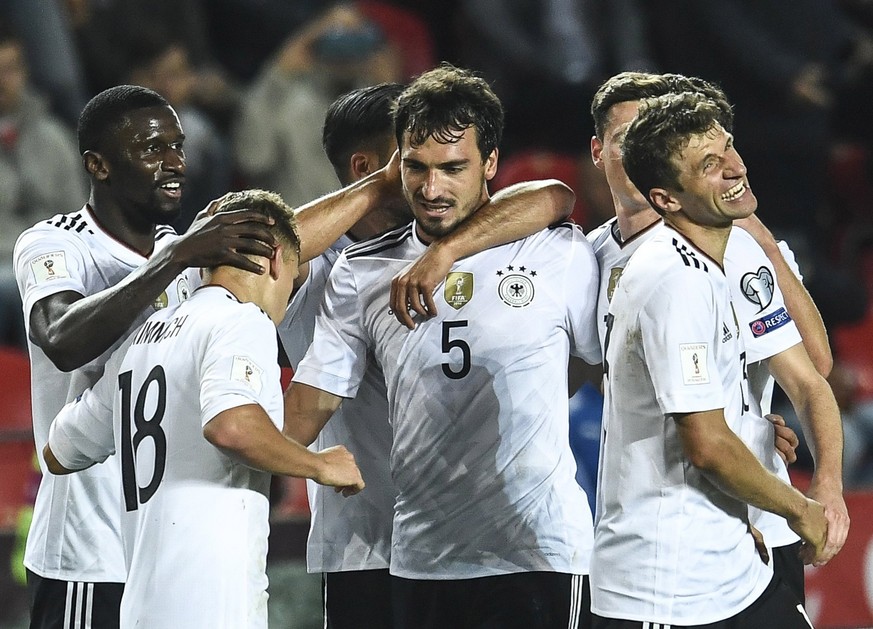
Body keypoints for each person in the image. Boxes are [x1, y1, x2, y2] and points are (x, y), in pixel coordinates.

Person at [13, 83, 391, 629]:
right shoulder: (57, 241)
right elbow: (62, 340)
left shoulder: (194, 259)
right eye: (151, 149)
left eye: (178, 147)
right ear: (98, 165)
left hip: (162, 552)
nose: (173, 163)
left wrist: (380, 186)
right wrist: (176, 257)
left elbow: (280, 240)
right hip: (89, 548)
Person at [283, 63, 600, 629]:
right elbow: (312, 399)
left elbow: (611, 366)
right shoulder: (361, 273)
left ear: (491, 164)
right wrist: (267, 454)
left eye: (454, 169)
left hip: (538, 550)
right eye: (416, 168)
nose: (432, 190)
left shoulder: (558, 252)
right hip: (419, 557)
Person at [41, 188, 365, 628]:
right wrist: (318, 464)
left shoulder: (144, 336)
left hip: (140, 607)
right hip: (213, 604)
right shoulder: (241, 320)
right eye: (292, 279)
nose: (286, 297)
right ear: (274, 260)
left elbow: (59, 452)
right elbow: (231, 426)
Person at [586, 71, 849, 603]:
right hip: (671, 549)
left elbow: (811, 369)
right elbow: (606, 377)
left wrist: (820, 485)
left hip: (752, 528)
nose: (734, 168)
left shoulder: (735, 246)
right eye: (627, 140)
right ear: (599, 151)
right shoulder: (596, 257)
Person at [0, 26, 87, 348]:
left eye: (9, 69)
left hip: (50, 260)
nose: (2, 80)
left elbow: (77, 215)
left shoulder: (54, 137)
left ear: (24, 72)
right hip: (3, 262)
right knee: (14, 289)